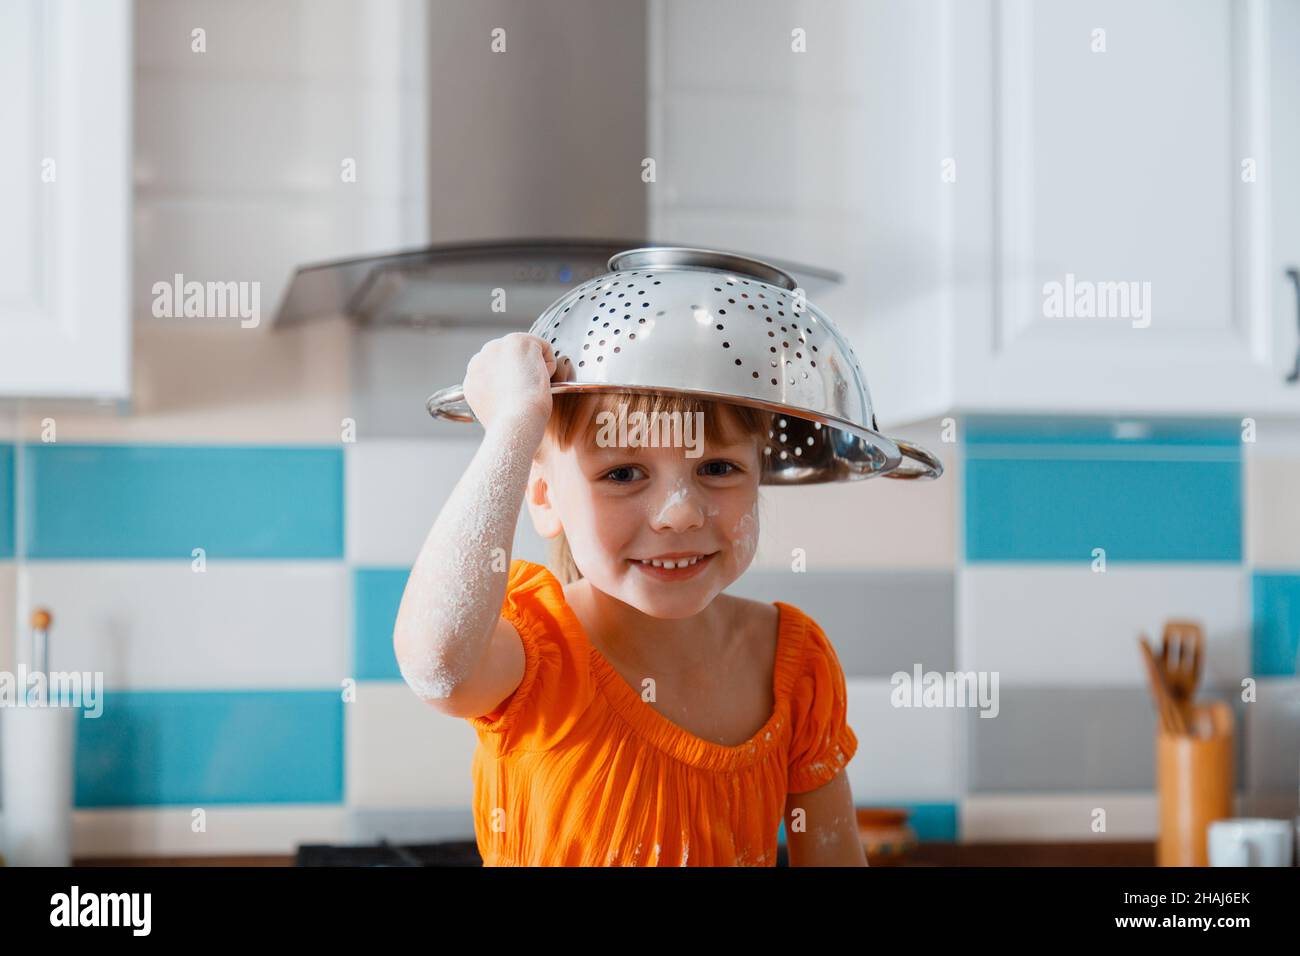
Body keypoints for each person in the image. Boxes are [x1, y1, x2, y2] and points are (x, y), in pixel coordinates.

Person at [394, 332, 864, 866]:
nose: (679, 513)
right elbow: (439, 667)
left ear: (759, 475)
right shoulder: (536, 648)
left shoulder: (795, 662)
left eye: (717, 468)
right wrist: (514, 424)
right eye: (621, 473)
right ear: (545, 498)